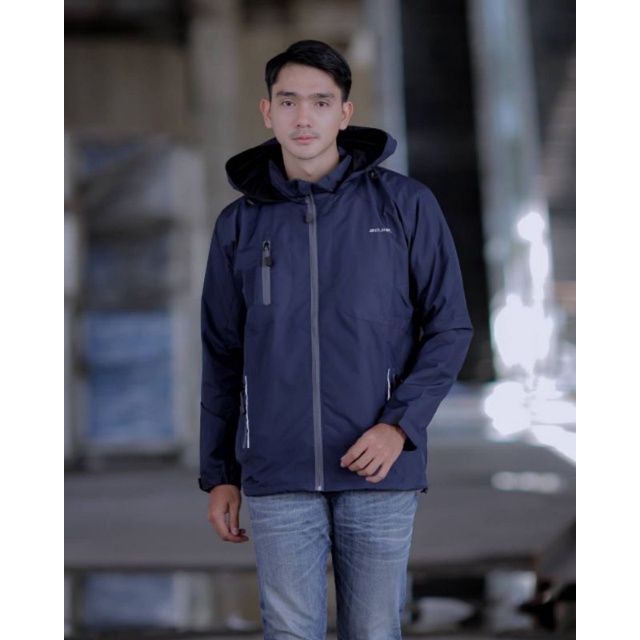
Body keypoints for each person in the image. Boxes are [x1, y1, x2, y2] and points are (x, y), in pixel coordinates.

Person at [199, 39, 473, 640]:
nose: (304, 117)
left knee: (374, 630)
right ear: (267, 112)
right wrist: (219, 472)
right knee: (289, 631)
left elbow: (450, 326)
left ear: (344, 113)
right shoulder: (239, 224)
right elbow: (222, 354)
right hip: (277, 470)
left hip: (378, 467)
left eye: (321, 102)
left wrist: (399, 426)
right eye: (288, 101)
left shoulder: (406, 206)